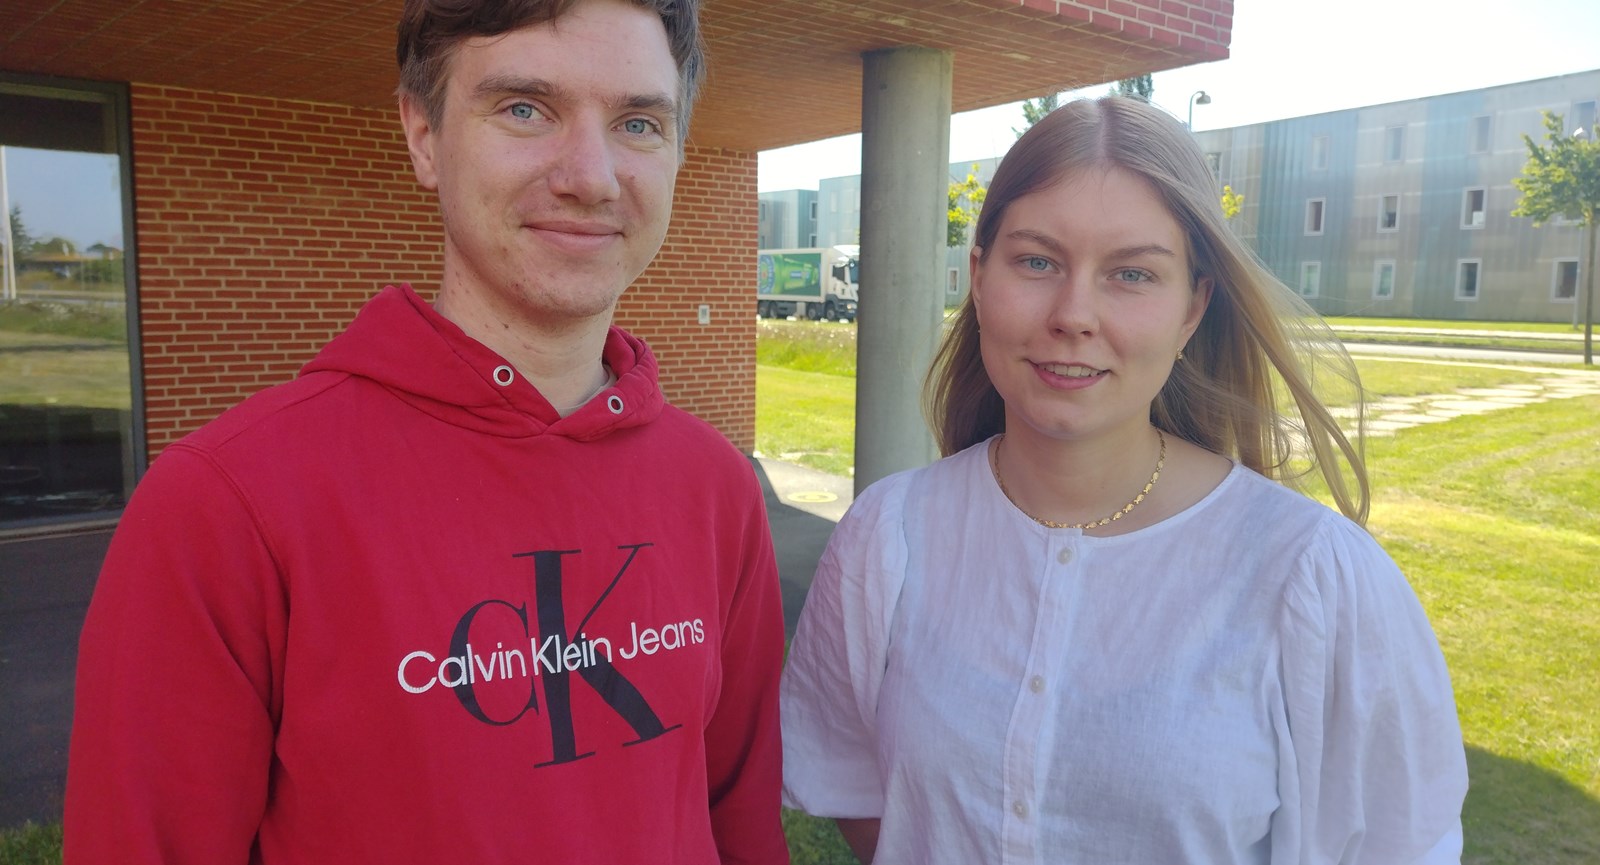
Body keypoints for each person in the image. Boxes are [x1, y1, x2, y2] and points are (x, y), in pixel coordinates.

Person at [63, 1, 790, 862]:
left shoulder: (717, 487)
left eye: (639, 122)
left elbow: (738, 820)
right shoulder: (227, 504)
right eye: (526, 108)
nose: (592, 175)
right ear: (423, 135)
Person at [780, 96, 1468, 864]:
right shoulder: (888, 535)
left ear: (1192, 307)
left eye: (1132, 273)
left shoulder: (1313, 579)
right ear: (978, 278)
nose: (1075, 314)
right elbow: (858, 792)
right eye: (1037, 261)